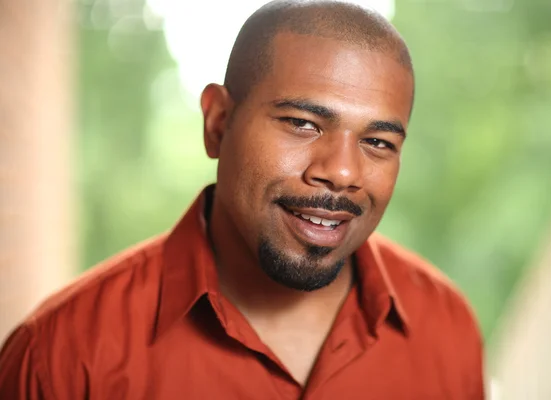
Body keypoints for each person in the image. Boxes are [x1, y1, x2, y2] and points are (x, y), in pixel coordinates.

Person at [0, 0, 485, 398]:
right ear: (218, 123)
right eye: (303, 123)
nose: (341, 172)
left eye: (377, 142)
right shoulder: (60, 359)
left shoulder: (446, 329)